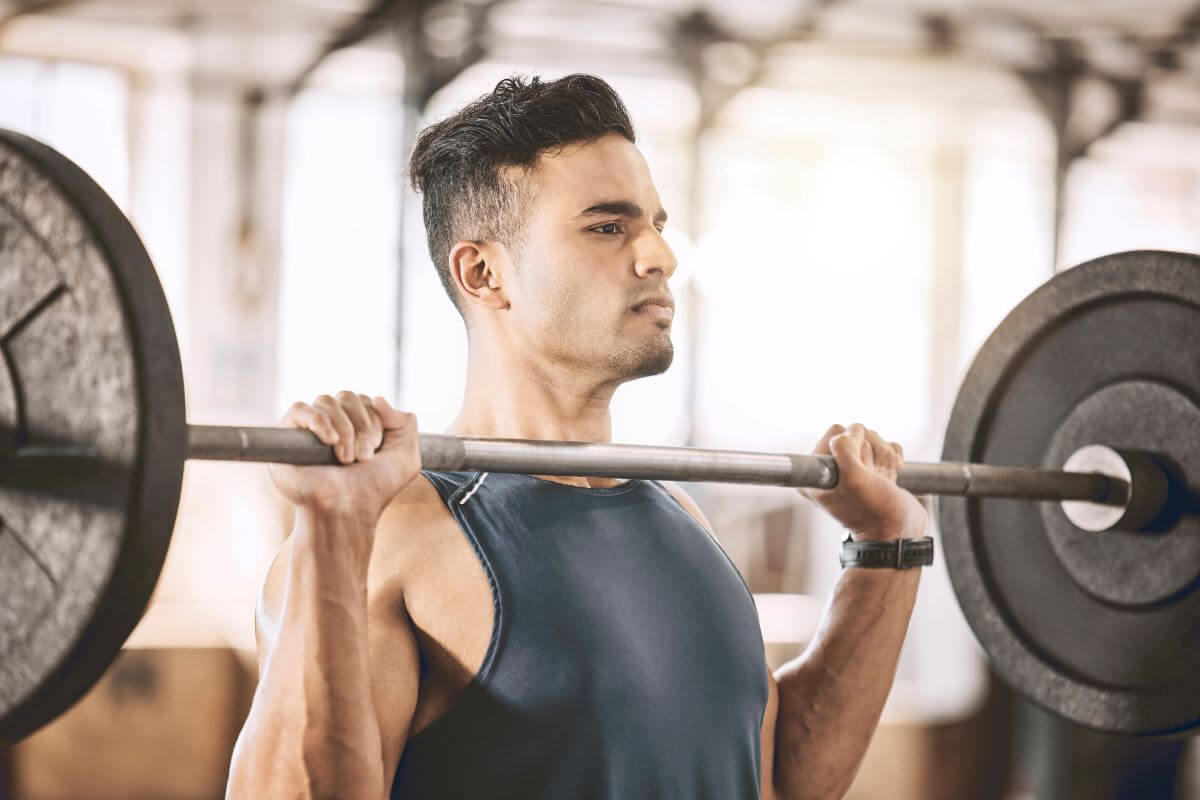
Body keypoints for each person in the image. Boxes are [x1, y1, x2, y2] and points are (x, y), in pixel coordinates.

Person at [226, 73, 927, 800]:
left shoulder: (679, 520)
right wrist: (333, 532)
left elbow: (778, 780)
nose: (659, 255)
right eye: (607, 226)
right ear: (485, 272)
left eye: (655, 222)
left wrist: (888, 549)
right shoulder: (391, 538)